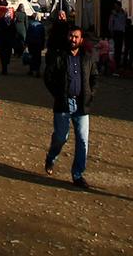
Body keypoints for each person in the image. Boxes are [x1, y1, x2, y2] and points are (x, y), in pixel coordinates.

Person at [43, 26, 98, 188]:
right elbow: (48, 77)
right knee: (61, 137)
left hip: (82, 105)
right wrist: (58, 94)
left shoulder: (87, 58)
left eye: (76, 37)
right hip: (63, 104)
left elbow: (94, 76)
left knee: (82, 140)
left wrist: (91, 93)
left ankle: (78, 174)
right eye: (71, 36)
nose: (73, 39)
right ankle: (51, 157)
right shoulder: (59, 56)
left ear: (81, 40)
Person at [0, 11, 20, 75]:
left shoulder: (0, 21)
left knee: (2, 55)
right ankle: (5, 67)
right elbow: (15, 32)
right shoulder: (12, 22)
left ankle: (4, 68)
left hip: (2, 41)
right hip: (9, 42)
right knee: (7, 55)